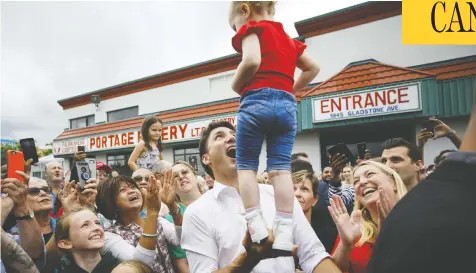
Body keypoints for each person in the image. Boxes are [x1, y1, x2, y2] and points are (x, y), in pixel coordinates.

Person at [182, 121, 340, 272]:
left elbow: (313, 255)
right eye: (219, 136)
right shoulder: (197, 213)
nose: (231, 138)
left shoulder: (278, 195)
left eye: (234, 135)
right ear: (206, 158)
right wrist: (248, 261)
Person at [229, 1, 320, 251]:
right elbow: (313, 68)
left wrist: (236, 86)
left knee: (246, 166)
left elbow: (251, 61)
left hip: (256, 100)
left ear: (245, 10)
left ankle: (257, 227)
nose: (236, 30)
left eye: (234, 25)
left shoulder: (252, 29)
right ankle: (283, 233)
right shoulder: (290, 40)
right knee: (280, 170)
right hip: (287, 106)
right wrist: (289, 89)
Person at [366, 84, 476, 273]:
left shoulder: (440, 200)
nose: (388, 165)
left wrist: (452, 136)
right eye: (383, 160)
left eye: (396, 159)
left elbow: (464, 174)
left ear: (419, 165)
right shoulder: (373, 205)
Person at [329, 161, 407, 273]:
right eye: (356, 181)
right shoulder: (353, 230)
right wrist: (345, 245)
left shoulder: (417, 218)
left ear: (393, 182)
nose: (362, 182)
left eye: (370, 174)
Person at [97, 175, 182, 272]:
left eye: (133, 187)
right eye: (122, 190)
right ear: (111, 202)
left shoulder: (157, 220)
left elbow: (180, 239)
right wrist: (152, 211)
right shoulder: (110, 235)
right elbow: (140, 263)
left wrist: (172, 205)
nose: (131, 191)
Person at [55, 207, 121, 273]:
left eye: (97, 223)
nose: (96, 228)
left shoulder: (121, 268)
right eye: (85, 225)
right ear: (66, 243)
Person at [7, 177, 56, 243]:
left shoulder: (63, 225)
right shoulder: (10, 234)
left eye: (46, 189)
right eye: (34, 191)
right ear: (21, 198)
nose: (43, 193)